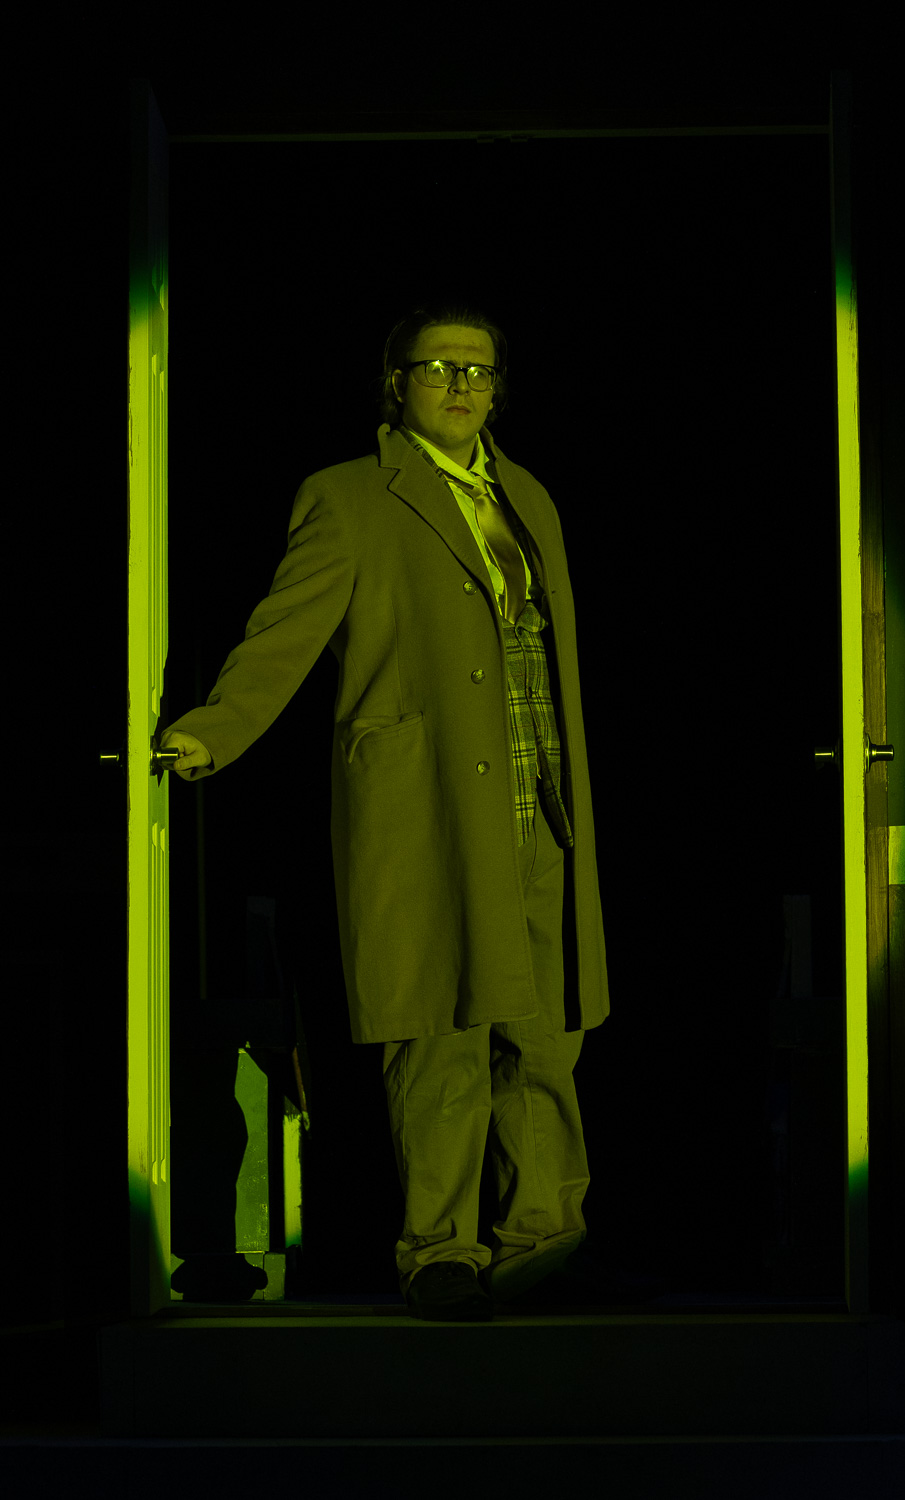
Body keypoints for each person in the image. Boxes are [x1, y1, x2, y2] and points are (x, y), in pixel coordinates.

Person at [160, 304, 616, 1322]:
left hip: (540, 807)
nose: (461, 385)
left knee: (544, 1039)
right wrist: (215, 729)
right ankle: (441, 1249)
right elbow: (286, 629)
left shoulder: (527, 496)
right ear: (397, 381)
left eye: (478, 370)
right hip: (431, 804)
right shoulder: (352, 495)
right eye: (437, 366)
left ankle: (543, 1240)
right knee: (440, 1028)